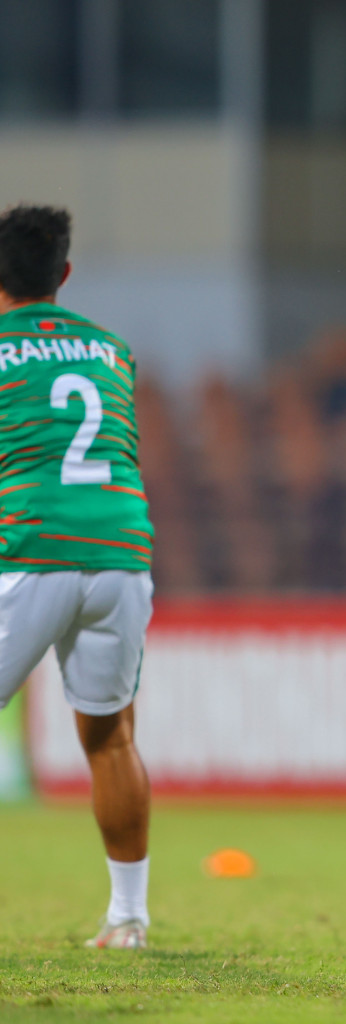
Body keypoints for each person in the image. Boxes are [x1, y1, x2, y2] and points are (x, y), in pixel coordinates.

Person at [0, 205, 156, 948]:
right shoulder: (112, 350)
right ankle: (127, 918)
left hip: (31, 553)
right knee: (110, 738)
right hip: (122, 557)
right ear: (62, 274)